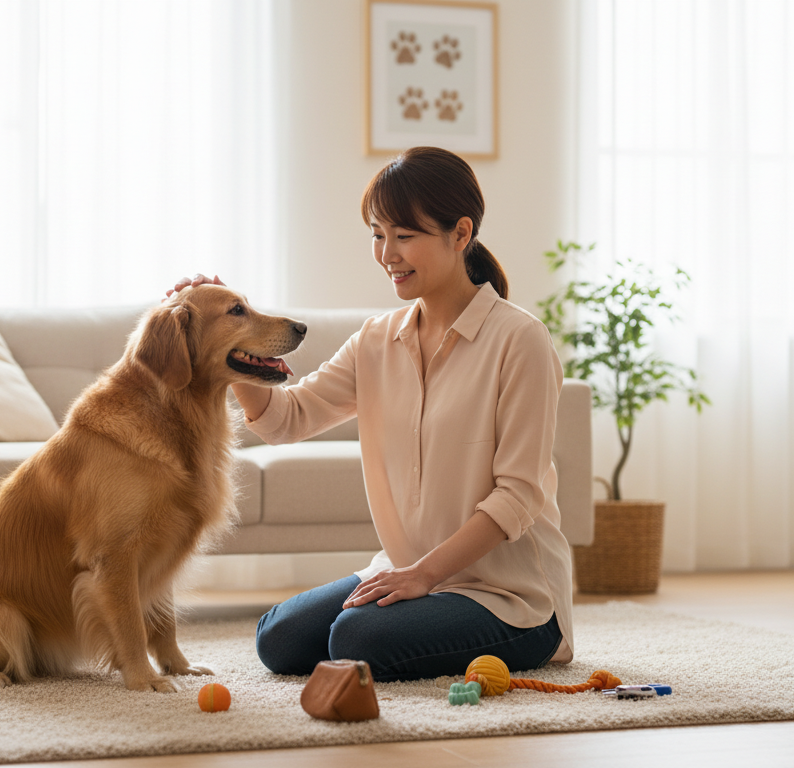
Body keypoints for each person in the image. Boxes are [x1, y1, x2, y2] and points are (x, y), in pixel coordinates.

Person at [169, 146, 574, 682]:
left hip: (510, 598)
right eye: (379, 235)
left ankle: (535, 639)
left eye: (405, 236)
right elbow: (286, 419)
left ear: (460, 233)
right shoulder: (377, 341)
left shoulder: (520, 340)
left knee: (357, 638)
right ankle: (407, 607)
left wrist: (424, 576)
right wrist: (237, 347)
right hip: (407, 572)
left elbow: (518, 495)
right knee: (280, 638)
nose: (388, 254)